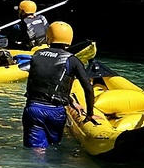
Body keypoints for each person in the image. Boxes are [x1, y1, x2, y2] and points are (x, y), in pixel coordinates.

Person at [21, 20, 94, 150]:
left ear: (48, 37)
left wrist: (72, 102)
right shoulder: (72, 60)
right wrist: (89, 114)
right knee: (53, 149)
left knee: (36, 151)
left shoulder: (37, 55)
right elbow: (88, 88)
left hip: (33, 110)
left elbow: (43, 82)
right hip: (56, 112)